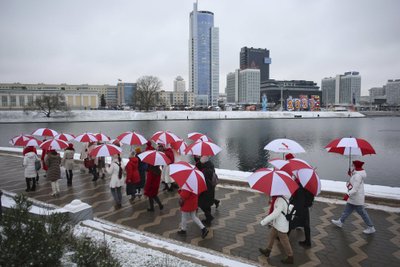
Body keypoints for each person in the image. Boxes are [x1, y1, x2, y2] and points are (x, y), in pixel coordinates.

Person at [331, 160, 376, 234]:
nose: (352, 166)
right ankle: (340, 222)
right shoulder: (356, 173)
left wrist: (347, 194)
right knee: (347, 211)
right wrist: (351, 174)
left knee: (362, 213)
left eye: (353, 165)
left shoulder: (358, 176)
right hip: (353, 198)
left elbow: (355, 189)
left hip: (356, 198)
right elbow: (354, 180)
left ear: (356, 166)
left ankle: (371, 227)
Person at [259, 195, 294, 264]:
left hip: (281, 225)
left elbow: (275, 213)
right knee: (272, 235)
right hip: (278, 223)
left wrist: (264, 221)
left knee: (284, 241)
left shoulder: (280, 200)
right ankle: (268, 250)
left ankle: (290, 257)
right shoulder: (282, 198)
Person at [288, 180, 314, 247]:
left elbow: (299, 199)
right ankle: (308, 242)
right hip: (305, 208)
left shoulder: (300, 186)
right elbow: (311, 198)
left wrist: (295, 209)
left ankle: (283, 238)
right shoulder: (310, 186)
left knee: (291, 222)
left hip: (299, 208)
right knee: (306, 225)